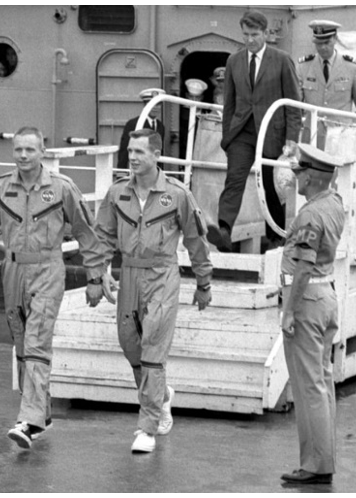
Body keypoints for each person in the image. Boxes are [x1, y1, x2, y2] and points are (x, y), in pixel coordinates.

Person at [0, 126, 110, 449]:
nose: (23, 155)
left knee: (35, 342)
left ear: (42, 152)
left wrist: (94, 277)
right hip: (12, 269)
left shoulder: (62, 189)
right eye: (18, 149)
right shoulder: (0, 188)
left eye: (30, 150)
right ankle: (42, 413)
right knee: (21, 343)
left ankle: (28, 420)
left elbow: (87, 233)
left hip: (48, 269)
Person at [81, 128, 213, 453]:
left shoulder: (178, 194)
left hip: (162, 275)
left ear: (156, 155)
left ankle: (147, 427)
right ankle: (162, 395)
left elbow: (196, 239)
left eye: (140, 151)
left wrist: (203, 282)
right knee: (132, 347)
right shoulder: (117, 194)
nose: (134, 157)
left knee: (153, 346)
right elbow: (102, 238)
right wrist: (97, 276)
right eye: (130, 151)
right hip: (129, 276)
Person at [273, 144, 345, 484]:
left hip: (307, 298)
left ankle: (316, 466)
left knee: (308, 387)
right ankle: (322, 458)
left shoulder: (309, 214)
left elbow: (302, 267)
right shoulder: (333, 203)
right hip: (326, 294)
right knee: (322, 382)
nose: (296, 177)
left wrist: (289, 311)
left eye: (300, 172)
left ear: (312, 177)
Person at [208, 10, 302, 251]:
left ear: (265, 33)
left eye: (255, 34)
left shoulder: (281, 59)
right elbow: (229, 103)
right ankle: (224, 230)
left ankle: (275, 238)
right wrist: (227, 137)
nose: (250, 40)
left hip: (272, 132)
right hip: (242, 133)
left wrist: (292, 139)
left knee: (271, 186)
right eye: (246, 35)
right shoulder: (234, 61)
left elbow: (293, 103)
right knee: (234, 180)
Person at [295, 19, 356, 147]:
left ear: (335, 39)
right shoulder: (303, 67)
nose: (323, 47)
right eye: (318, 43)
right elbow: (295, 104)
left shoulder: (351, 68)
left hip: (341, 138)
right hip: (312, 138)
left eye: (327, 42)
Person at [115, 88, 166, 171]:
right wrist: (121, 174)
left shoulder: (161, 126)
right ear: (145, 105)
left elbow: (159, 153)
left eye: (158, 104)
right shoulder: (133, 124)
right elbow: (124, 152)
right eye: (152, 104)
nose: (155, 107)